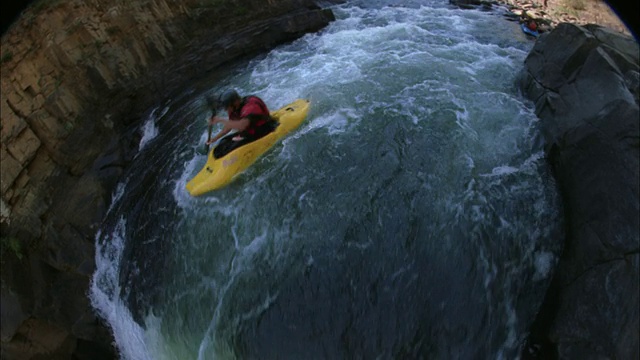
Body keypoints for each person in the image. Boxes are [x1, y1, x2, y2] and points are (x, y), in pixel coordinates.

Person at [206, 89, 277, 146]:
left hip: (264, 128)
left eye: (227, 107)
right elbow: (229, 126)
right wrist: (214, 139)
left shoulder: (250, 106)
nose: (226, 109)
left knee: (232, 145)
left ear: (235, 102)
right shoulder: (233, 108)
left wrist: (220, 120)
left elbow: (242, 125)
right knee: (223, 142)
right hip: (250, 131)